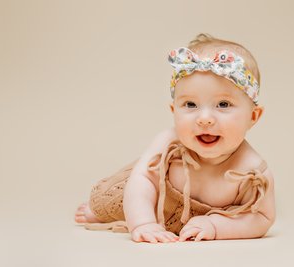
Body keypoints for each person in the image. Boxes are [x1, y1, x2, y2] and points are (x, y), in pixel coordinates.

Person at [74, 33, 276, 243]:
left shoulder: (253, 171)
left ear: (253, 116)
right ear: (174, 110)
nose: (204, 119)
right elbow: (142, 181)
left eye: (223, 104)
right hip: (149, 201)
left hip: (190, 223)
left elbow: (262, 218)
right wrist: (143, 224)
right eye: (190, 105)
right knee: (118, 201)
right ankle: (100, 212)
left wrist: (216, 226)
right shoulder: (169, 142)